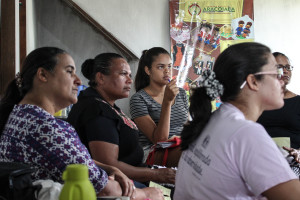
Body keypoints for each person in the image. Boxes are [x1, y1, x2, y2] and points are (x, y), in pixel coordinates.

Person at [0, 47, 163, 200]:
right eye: (70, 72)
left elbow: (69, 159)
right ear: (43, 75)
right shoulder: (46, 127)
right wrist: (145, 193)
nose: (78, 81)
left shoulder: (22, 114)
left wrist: (110, 169)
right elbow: (104, 189)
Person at [174, 42, 300, 199]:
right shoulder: (246, 133)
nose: (282, 80)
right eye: (276, 73)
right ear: (253, 82)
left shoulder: (213, 120)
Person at [67, 53, 176, 185]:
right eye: (123, 74)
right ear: (100, 78)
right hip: (122, 182)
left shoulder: (106, 104)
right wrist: (156, 174)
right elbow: (109, 166)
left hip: (137, 174)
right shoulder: (96, 109)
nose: (129, 80)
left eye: (129, 75)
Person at [130, 47, 188, 167]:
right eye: (161, 67)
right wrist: (167, 102)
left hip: (180, 145)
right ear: (148, 70)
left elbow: (187, 126)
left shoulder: (180, 93)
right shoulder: (139, 99)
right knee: (192, 155)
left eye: (169, 66)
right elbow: (159, 140)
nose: (167, 71)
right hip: (153, 151)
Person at [257, 52, 300, 149]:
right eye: (279, 67)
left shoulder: (298, 102)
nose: (285, 71)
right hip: (261, 157)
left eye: (288, 67)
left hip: (293, 160)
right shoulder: (257, 101)